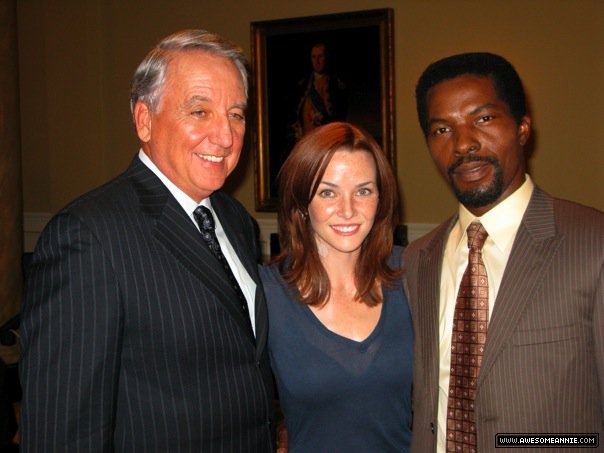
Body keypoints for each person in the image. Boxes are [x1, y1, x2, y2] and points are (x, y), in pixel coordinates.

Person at [19, 29, 276, 452]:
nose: (226, 136)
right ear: (144, 119)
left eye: (236, 114)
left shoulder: (235, 220)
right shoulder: (88, 235)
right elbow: (63, 429)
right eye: (200, 111)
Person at [405, 52, 604, 452]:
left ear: (523, 128)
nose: (463, 144)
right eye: (442, 129)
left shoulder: (593, 244)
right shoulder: (416, 260)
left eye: (483, 119)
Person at [260, 121, 413, 452]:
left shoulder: (412, 274)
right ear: (302, 204)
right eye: (328, 192)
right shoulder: (266, 294)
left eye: (363, 191)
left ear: (381, 199)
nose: (348, 210)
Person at [292, 43, 347, 141]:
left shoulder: (337, 86)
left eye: (320, 56)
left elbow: (340, 120)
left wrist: (323, 119)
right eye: (313, 57)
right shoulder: (303, 85)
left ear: (327, 58)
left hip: (327, 140)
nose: (316, 61)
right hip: (307, 140)